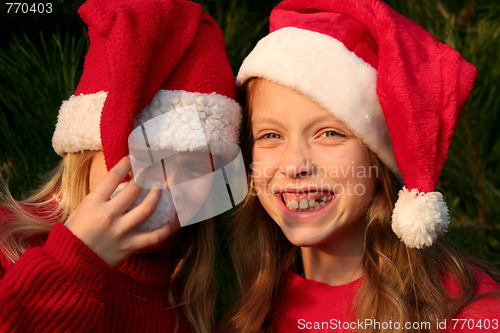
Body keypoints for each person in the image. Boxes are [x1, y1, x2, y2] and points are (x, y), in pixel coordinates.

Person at [218, 0, 500, 332]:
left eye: (330, 133)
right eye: (270, 135)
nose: (293, 165)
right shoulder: (250, 309)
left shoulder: (469, 315)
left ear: (378, 157)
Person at [0, 0, 241, 332]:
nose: (167, 184)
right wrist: (76, 264)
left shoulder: (186, 299)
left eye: (194, 166)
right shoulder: (9, 241)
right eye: (147, 153)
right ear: (88, 148)